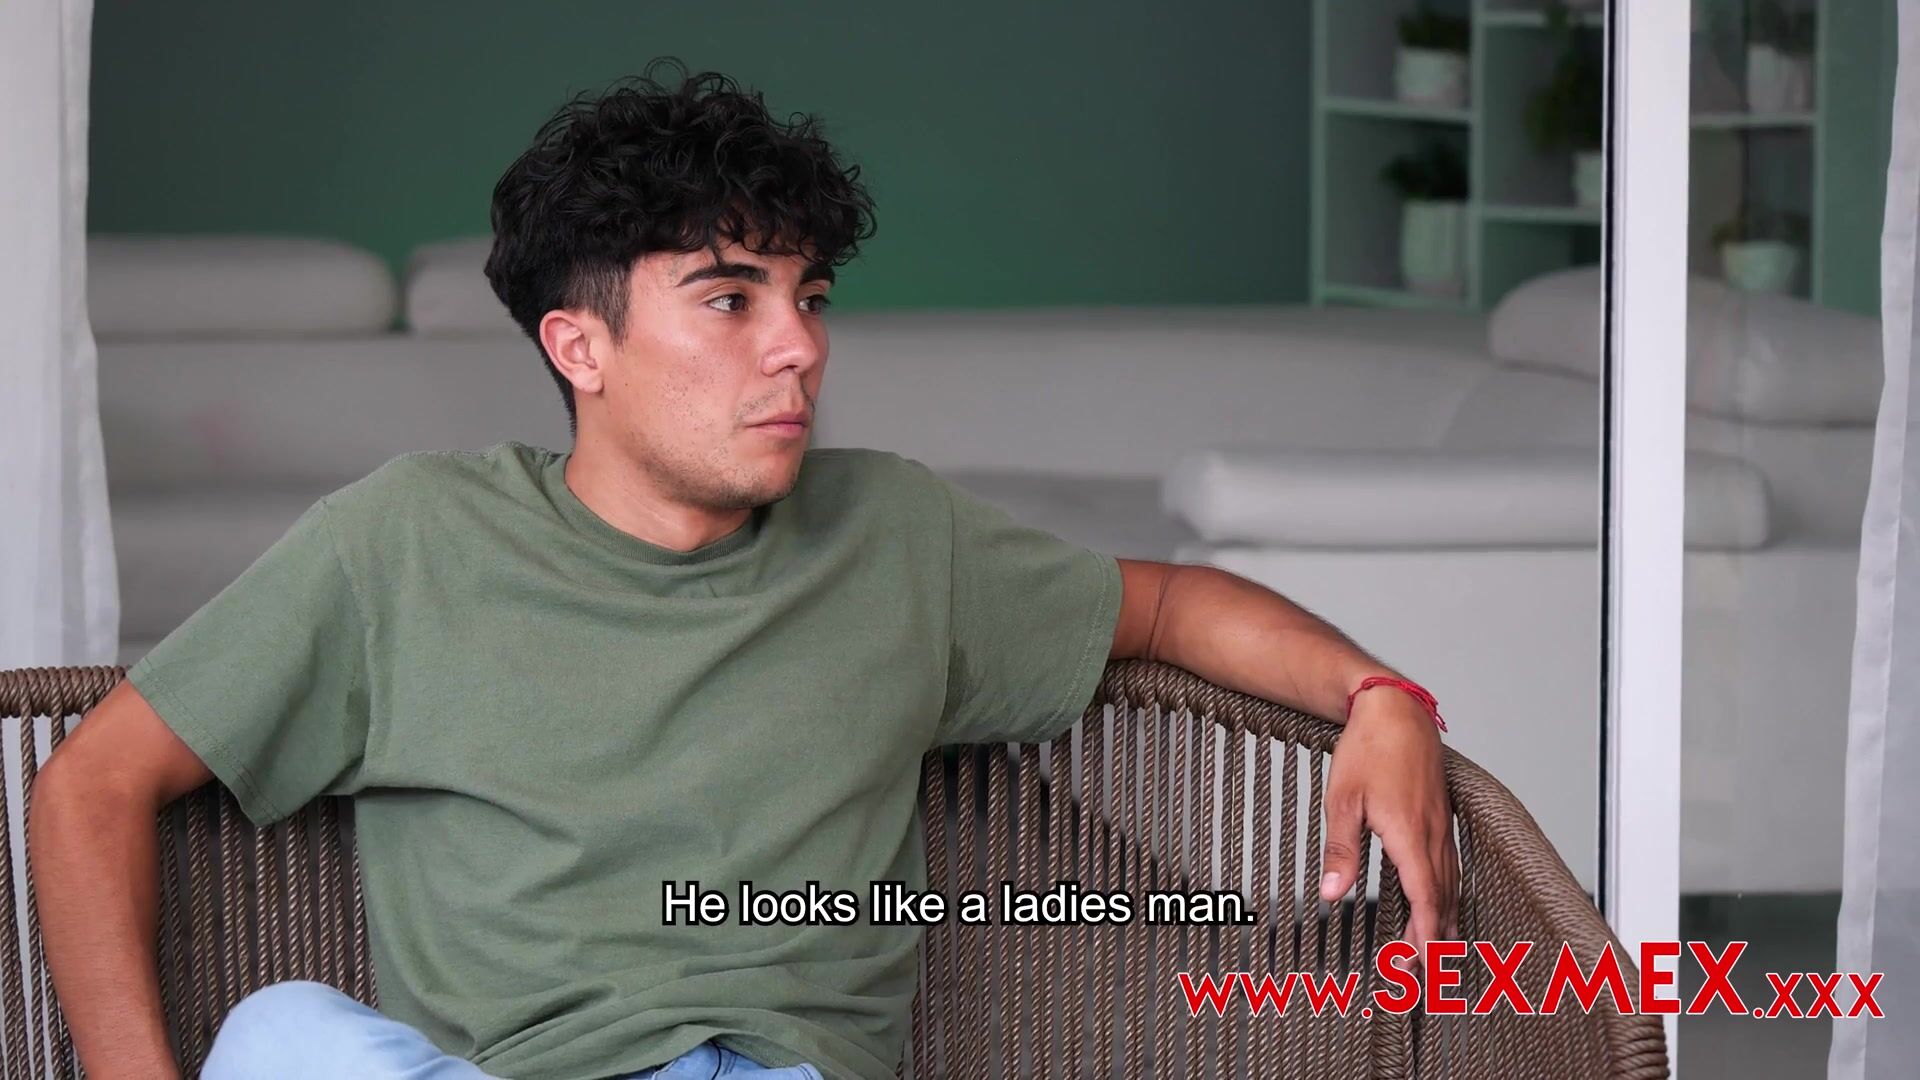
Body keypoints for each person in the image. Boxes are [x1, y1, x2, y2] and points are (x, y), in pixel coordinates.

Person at [28, 59, 1457, 1080]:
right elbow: (92, 783)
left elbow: (1170, 602)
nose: (799, 347)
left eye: (808, 297)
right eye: (729, 299)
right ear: (580, 348)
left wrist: (1379, 694)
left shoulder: (897, 536)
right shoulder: (403, 542)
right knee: (282, 1036)